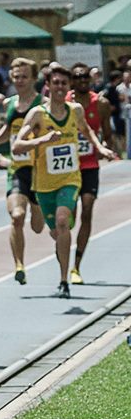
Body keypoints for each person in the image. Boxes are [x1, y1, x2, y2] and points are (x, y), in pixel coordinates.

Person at [12, 65, 114, 299]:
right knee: (58, 231)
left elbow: (87, 131)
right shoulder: (38, 114)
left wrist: (100, 148)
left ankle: (64, 280)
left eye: (63, 84)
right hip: (44, 184)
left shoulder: (75, 110)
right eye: (56, 83)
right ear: (48, 86)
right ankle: (63, 257)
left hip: (70, 178)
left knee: (62, 221)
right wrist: (43, 139)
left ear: (68, 88)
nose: (60, 87)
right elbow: (18, 145)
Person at [0, 58, 46, 284]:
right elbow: (8, 130)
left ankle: (38, 209)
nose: (19, 80)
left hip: (40, 170)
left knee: (38, 227)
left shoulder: (42, 104)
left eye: (24, 76)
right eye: (16, 76)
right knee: (17, 216)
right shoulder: (9, 103)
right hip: (17, 168)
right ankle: (19, 265)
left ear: (34, 78)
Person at [64, 63, 119, 284]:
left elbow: (107, 134)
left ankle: (76, 266)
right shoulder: (63, 103)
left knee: (87, 210)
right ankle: (63, 256)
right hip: (66, 167)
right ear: (72, 80)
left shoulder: (102, 104)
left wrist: (105, 147)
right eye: (78, 77)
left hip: (89, 167)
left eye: (86, 77)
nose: (83, 81)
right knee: (68, 217)